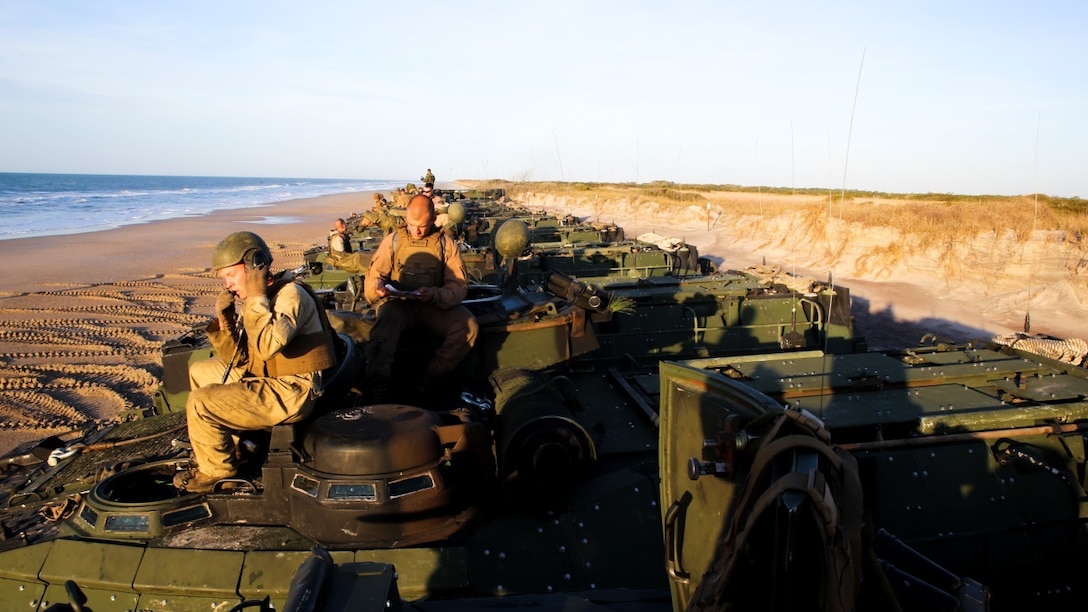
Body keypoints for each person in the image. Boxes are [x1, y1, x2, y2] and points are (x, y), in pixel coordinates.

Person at [174, 231, 338, 493]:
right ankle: (232, 447)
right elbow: (238, 360)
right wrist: (226, 318)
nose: (227, 284)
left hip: (293, 390)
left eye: (230, 275)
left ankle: (218, 472)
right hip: (268, 377)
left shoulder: (290, 295)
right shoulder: (265, 296)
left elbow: (266, 345)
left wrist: (254, 298)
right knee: (200, 372)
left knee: (201, 401)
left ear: (254, 265)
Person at [363, 194, 478, 400]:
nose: (416, 231)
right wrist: (378, 288)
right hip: (400, 306)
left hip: (433, 306)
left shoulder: (446, 244)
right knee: (385, 322)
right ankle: (378, 383)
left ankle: (430, 377)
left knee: (468, 326)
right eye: (411, 224)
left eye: (422, 226)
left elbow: (459, 285)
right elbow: (373, 276)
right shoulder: (394, 241)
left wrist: (435, 294)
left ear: (434, 220)